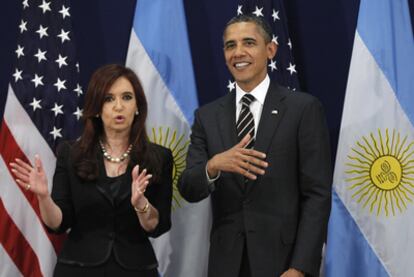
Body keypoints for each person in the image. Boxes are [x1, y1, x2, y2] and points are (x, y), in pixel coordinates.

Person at [178, 15, 332, 277]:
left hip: (282, 263)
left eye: (249, 42)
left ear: (270, 50)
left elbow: (317, 195)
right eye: (230, 45)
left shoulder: (303, 109)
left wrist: (300, 266)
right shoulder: (207, 116)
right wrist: (213, 166)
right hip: (227, 264)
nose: (238, 52)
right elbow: (189, 188)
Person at [10, 64, 173, 277]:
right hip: (78, 268)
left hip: (135, 269)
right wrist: (43, 197)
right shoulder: (71, 154)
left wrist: (141, 205)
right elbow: (58, 223)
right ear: (96, 108)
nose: (118, 107)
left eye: (126, 97)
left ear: (137, 106)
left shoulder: (159, 158)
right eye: (108, 99)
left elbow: (157, 226)